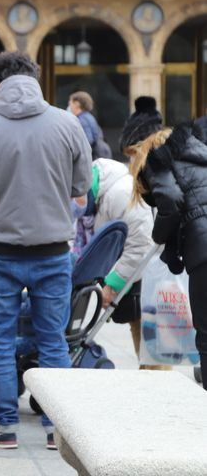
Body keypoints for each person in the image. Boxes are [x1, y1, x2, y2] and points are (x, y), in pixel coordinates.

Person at [0, 51, 91, 450]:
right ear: (35, 78)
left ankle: (5, 427)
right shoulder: (67, 123)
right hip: (52, 250)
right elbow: (81, 185)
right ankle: (55, 429)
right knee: (53, 341)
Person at [125, 119, 207, 389]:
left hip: (203, 249)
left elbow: (170, 202)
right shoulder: (200, 153)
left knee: (205, 335)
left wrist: (160, 237)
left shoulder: (157, 159)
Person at [70, 158, 166, 370]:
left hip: (147, 281)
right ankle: (150, 386)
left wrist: (112, 284)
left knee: (151, 348)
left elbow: (141, 244)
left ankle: (157, 392)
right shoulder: (105, 194)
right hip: (140, 280)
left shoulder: (119, 193)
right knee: (143, 341)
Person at [68, 91, 111, 159]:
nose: (69, 107)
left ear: (77, 104)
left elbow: (88, 141)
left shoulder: (82, 120)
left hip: (92, 157)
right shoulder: (88, 116)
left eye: (70, 104)